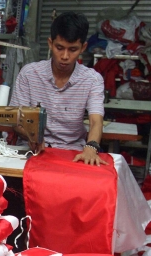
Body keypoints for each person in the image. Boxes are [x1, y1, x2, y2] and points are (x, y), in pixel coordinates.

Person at [10, 11, 107, 166]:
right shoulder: (29, 74)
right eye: (59, 47)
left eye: (73, 49)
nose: (65, 56)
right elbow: (16, 118)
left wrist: (91, 147)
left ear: (83, 47)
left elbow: (96, 121)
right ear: (50, 43)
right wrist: (31, 136)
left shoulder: (92, 80)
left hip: (72, 152)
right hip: (32, 150)